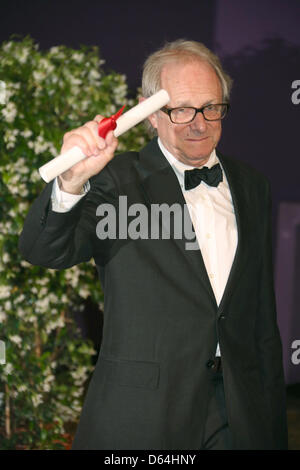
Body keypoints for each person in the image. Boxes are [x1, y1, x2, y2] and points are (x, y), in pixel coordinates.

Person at [19, 39, 288, 450]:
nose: (199, 123)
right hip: (145, 413)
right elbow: (43, 251)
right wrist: (71, 180)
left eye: (212, 107)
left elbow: (260, 317)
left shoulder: (253, 186)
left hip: (239, 412)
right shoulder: (115, 181)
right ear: (149, 113)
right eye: (181, 110)